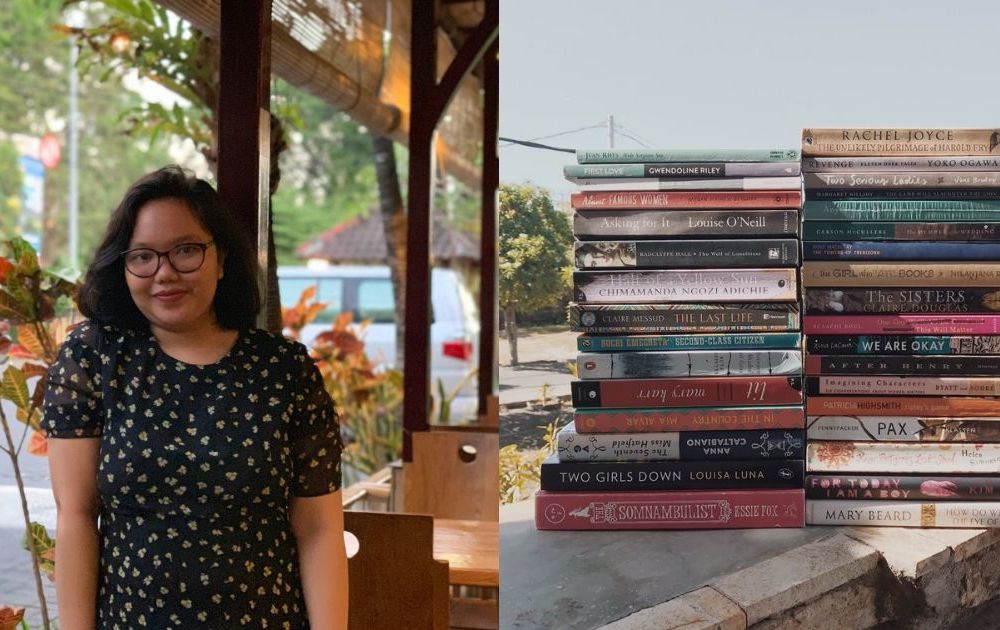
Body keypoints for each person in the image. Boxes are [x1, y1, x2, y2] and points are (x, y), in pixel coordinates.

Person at [43, 165, 348, 629]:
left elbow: (319, 530)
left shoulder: (284, 370)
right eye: (143, 256)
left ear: (221, 259)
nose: (164, 273)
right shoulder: (95, 358)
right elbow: (76, 518)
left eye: (186, 250)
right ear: (123, 267)